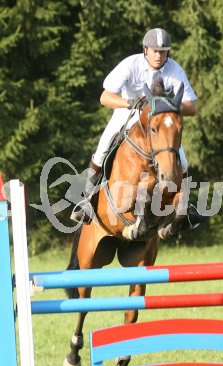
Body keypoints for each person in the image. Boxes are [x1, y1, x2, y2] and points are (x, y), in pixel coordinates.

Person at [71, 28, 206, 231]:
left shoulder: (175, 70)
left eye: (163, 51)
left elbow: (192, 107)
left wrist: (169, 105)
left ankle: (185, 208)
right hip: (128, 112)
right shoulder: (130, 64)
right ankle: (87, 201)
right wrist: (128, 102)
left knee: (183, 162)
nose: (159, 55)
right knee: (101, 151)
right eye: (155, 51)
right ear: (146, 50)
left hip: (159, 122)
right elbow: (104, 97)